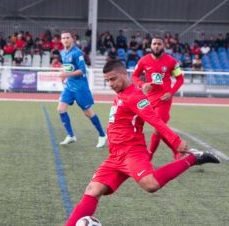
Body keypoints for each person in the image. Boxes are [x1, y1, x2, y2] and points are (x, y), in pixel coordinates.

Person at [65, 60, 220, 226]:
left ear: (124, 74)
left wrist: (175, 141)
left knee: (151, 184)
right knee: (92, 190)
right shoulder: (123, 93)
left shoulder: (135, 97)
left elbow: (154, 120)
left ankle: (193, 158)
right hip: (115, 156)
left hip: (132, 151)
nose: (110, 84)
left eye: (113, 79)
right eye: (107, 81)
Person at [132, 37, 184, 160]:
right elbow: (134, 76)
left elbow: (180, 79)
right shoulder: (143, 60)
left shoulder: (171, 61)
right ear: (150, 45)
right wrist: (142, 84)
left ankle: (149, 155)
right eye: (154, 44)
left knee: (158, 129)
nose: (156, 46)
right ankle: (176, 150)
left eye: (159, 44)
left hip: (163, 99)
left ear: (163, 46)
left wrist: (171, 92)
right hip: (148, 99)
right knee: (155, 128)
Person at [58, 31, 106, 147]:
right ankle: (70, 136)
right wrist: (64, 75)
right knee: (60, 109)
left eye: (67, 38)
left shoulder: (77, 52)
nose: (65, 40)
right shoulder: (63, 52)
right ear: (61, 40)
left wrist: (67, 75)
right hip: (69, 87)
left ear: (72, 39)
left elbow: (82, 70)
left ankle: (102, 135)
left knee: (88, 113)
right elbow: (68, 68)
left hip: (80, 88)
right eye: (63, 38)